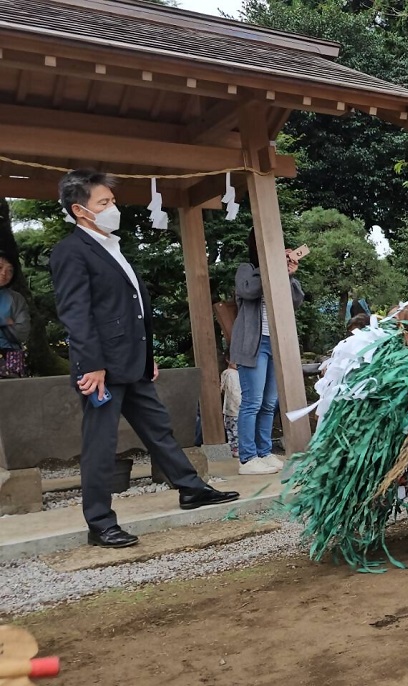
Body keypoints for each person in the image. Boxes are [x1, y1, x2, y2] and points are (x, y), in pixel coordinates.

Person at [50, 169, 238, 548]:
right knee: (101, 446)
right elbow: (76, 313)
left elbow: (134, 309)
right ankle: (99, 522)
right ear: (79, 210)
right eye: (103, 203)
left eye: (112, 201)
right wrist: (92, 365)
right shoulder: (70, 251)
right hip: (101, 369)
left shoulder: (113, 248)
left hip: (132, 363)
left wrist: (147, 356)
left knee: (159, 428)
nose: (112, 208)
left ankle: (190, 488)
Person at [232, 229, 304, 476]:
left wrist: (289, 275)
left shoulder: (279, 272)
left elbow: (296, 300)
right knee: (251, 401)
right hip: (252, 345)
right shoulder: (246, 269)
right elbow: (249, 291)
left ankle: (263, 452)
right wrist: (270, 267)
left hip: (275, 343)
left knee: (269, 402)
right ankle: (247, 458)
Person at [0, 253, 31, 378]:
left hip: (10, 357)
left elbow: (23, 331)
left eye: (10, 271)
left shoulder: (16, 299)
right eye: (0, 267)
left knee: (14, 394)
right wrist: (6, 320)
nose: (4, 273)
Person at [220, 357, 241, 458]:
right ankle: (236, 449)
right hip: (236, 407)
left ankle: (233, 448)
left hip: (228, 408)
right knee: (236, 430)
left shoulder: (226, 373)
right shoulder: (232, 374)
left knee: (231, 430)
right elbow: (234, 391)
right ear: (227, 359)